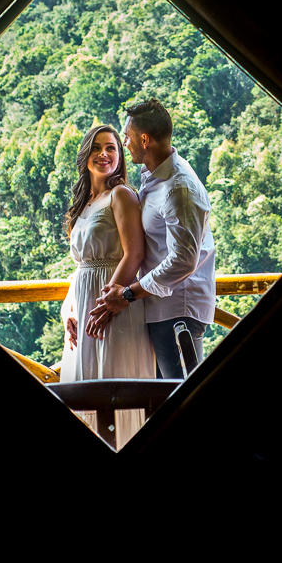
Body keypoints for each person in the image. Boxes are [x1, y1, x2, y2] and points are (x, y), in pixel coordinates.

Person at [91, 99, 216, 379]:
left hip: (177, 311)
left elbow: (183, 261)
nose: (125, 143)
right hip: (159, 308)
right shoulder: (154, 176)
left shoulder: (178, 187)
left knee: (180, 393)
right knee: (161, 394)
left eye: (127, 137)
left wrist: (128, 294)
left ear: (144, 139)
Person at [59, 124, 154, 444]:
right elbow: (81, 268)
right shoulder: (84, 204)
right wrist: (68, 310)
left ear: (120, 156)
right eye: (97, 148)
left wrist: (107, 305)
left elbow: (135, 253)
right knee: (85, 388)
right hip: (85, 308)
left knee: (114, 384)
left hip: (114, 306)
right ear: (86, 155)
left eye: (111, 147)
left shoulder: (121, 195)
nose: (104, 154)